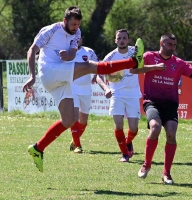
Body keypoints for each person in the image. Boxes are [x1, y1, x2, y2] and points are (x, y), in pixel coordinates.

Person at [22, 6, 145, 173]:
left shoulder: (77, 33)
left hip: (60, 79)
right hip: (49, 71)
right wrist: (32, 76)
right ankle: (132, 62)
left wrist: (70, 55)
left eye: (78, 24)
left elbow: (73, 52)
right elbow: (32, 50)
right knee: (89, 67)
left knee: (69, 120)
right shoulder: (51, 30)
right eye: (73, 24)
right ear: (65, 21)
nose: (75, 28)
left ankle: (38, 148)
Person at [133, 33, 192, 184]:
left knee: (171, 134)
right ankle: (146, 164)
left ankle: (166, 173)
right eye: (169, 44)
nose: (172, 48)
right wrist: (154, 67)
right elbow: (134, 70)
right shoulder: (149, 56)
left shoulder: (179, 63)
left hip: (170, 103)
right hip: (152, 101)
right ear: (161, 43)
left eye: (174, 45)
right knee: (155, 128)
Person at [95, 29, 142, 162]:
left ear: (128, 40)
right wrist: (105, 88)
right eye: (119, 38)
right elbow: (98, 75)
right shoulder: (110, 57)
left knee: (133, 127)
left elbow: (144, 62)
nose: (121, 40)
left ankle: (128, 141)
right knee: (119, 125)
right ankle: (124, 154)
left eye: (124, 38)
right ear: (115, 40)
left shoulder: (135, 52)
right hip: (117, 94)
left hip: (133, 94)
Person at [69, 38, 99, 153]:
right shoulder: (67, 53)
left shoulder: (89, 51)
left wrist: (96, 75)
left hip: (86, 89)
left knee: (83, 121)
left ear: (81, 39)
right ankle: (78, 145)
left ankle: (74, 139)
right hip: (72, 88)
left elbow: (97, 64)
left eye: (78, 38)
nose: (76, 40)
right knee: (74, 118)